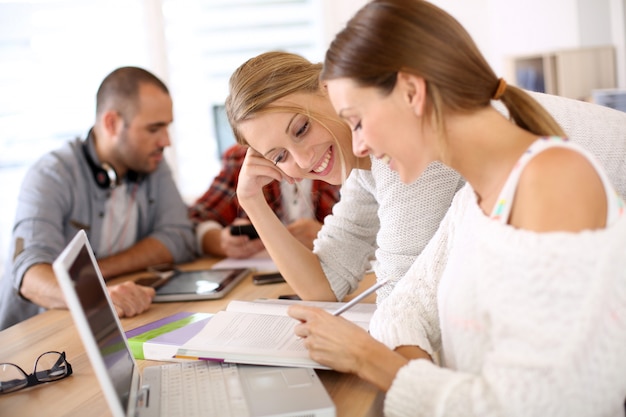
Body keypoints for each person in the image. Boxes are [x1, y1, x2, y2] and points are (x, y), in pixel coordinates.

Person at [286, 1, 626, 416]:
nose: (357, 146)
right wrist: (422, 379)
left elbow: (530, 406)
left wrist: (367, 358)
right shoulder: (473, 198)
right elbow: (403, 307)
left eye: (357, 121)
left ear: (412, 92)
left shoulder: (553, 183)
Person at [226, 50, 626, 303]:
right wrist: (253, 204)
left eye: (301, 129)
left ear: (327, 89)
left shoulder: (404, 142)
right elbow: (325, 286)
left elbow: (400, 300)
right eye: (280, 156)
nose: (303, 158)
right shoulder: (366, 167)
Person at [0, 66, 197, 330]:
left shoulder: (153, 163)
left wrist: (95, 274)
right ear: (111, 124)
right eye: (154, 129)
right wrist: (91, 291)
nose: (166, 141)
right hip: (40, 338)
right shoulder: (52, 174)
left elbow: (179, 237)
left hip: (112, 321)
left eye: (167, 127)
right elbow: (28, 273)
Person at [188, 144, 340, 258]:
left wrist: (330, 237)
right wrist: (220, 242)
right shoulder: (242, 160)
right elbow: (196, 219)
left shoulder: (334, 152)